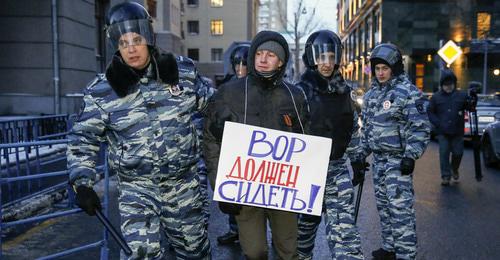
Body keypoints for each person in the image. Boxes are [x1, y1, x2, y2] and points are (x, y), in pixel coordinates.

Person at [67, 2, 212, 259]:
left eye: (136, 39)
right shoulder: (102, 91)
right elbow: (82, 139)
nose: (131, 48)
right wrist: (82, 183)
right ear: (116, 46)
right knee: (141, 254)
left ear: (148, 38)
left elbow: (215, 108)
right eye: (123, 42)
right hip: (138, 191)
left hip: (184, 185)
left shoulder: (182, 73)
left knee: (195, 253)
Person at [203, 30, 309, 260]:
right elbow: (212, 140)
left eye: (270, 55)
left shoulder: (294, 96)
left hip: (283, 191)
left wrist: (310, 188)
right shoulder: (229, 93)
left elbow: (306, 144)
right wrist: (221, 187)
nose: (262, 59)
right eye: (259, 53)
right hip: (245, 191)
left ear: (280, 61)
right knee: (254, 251)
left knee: (288, 250)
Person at [355, 43, 431, 260]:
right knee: (384, 207)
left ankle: (406, 254)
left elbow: (420, 127)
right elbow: (368, 130)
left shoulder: (407, 93)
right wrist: (360, 155)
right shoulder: (370, 97)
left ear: (395, 68)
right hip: (379, 162)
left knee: (400, 210)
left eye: (385, 68)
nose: (380, 73)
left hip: (398, 162)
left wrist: (411, 155)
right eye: (377, 68)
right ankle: (389, 247)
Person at [295, 30, 365, 260]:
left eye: (331, 57)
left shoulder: (344, 91)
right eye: (321, 57)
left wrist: (357, 158)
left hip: (336, 171)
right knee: (301, 236)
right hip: (306, 173)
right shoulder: (299, 92)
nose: (327, 63)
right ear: (312, 58)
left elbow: (351, 127)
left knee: (345, 235)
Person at [215, 44, 250, 246]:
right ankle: (234, 229)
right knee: (233, 191)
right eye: (236, 63)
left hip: (254, 146)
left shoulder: (258, 85)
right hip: (232, 145)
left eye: (244, 63)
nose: (240, 67)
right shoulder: (226, 87)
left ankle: (271, 234)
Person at [428, 69, 471, 186]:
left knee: (458, 153)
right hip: (442, 131)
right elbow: (430, 112)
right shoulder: (436, 97)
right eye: (446, 85)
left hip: (457, 131)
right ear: (442, 85)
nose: (448, 87)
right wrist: (437, 123)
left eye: (450, 84)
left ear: (454, 84)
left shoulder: (461, 95)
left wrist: (472, 100)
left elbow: (470, 108)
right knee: (444, 153)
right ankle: (445, 176)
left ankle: (454, 169)